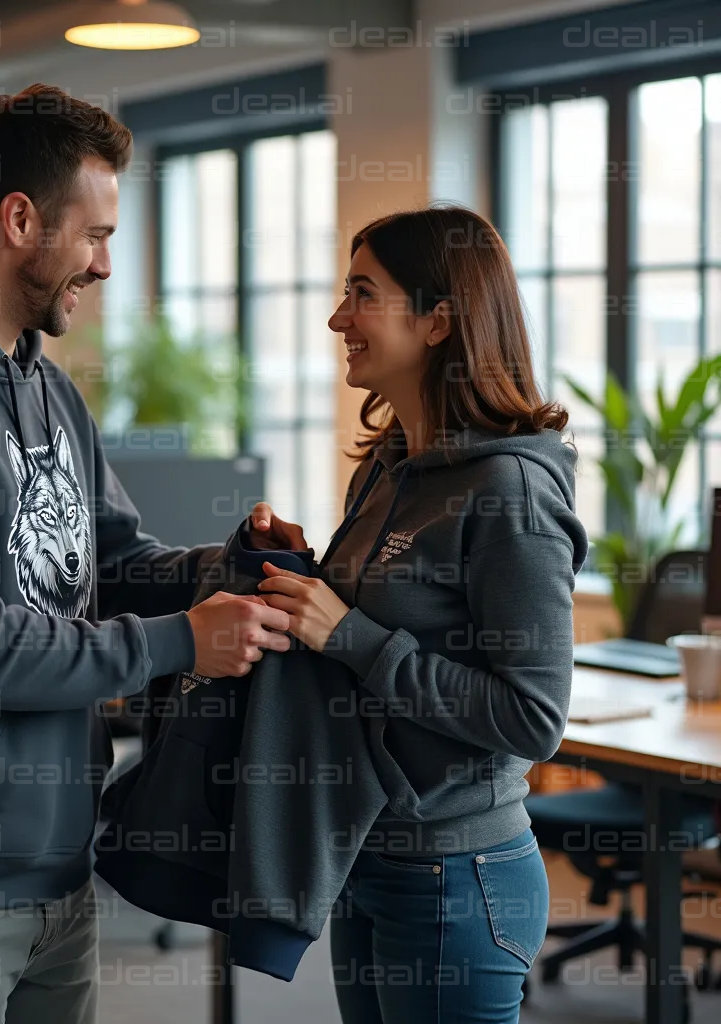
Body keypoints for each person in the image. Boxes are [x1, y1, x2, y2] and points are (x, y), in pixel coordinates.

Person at [0, 83, 304, 1024]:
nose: (106, 263)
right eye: (96, 234)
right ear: (20, 219)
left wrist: (227, 568)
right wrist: (180, 644)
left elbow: (108, 561)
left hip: (57, 858)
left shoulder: (46, 387)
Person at [256, 205, 588, 1023]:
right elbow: (372, 619)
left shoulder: (508, 490)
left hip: (458, 873)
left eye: (362, 294)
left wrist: (352, 635)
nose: (338, 318)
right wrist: (309, 574)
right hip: (368, 856)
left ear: (438, 318)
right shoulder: (386, 466)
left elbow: (533, 717)